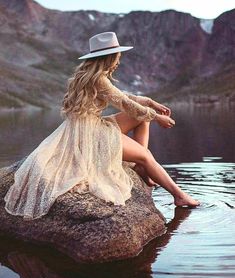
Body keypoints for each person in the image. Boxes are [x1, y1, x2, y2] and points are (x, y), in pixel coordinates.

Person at [4, 31, 199, 221]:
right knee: (147, 153)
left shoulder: (88, 76)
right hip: (91, 132)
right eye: (117, 56)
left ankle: (140, 166)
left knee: (142, 119)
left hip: (87, 126)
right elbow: (125, 103)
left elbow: (123, 96)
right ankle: (178, 194)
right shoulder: (99, 79)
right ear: (109, 57)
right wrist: (157, 117)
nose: (119, 61)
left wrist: (150, 103)